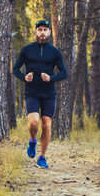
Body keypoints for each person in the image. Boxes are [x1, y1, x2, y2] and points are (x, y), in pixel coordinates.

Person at [12, 20, 67, 168]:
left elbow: (64, 73)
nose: (42, 32)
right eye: (40, 29)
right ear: (35, 32)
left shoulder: (55, 52)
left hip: (49, 93)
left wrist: (51, 78)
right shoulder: (27, 50)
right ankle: (32, 140)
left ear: (49, 32)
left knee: (47, 125)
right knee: (34, 122)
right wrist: (24, 77)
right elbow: (15, 69)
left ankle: (42, 157)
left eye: (45, 29)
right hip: (32, 92)